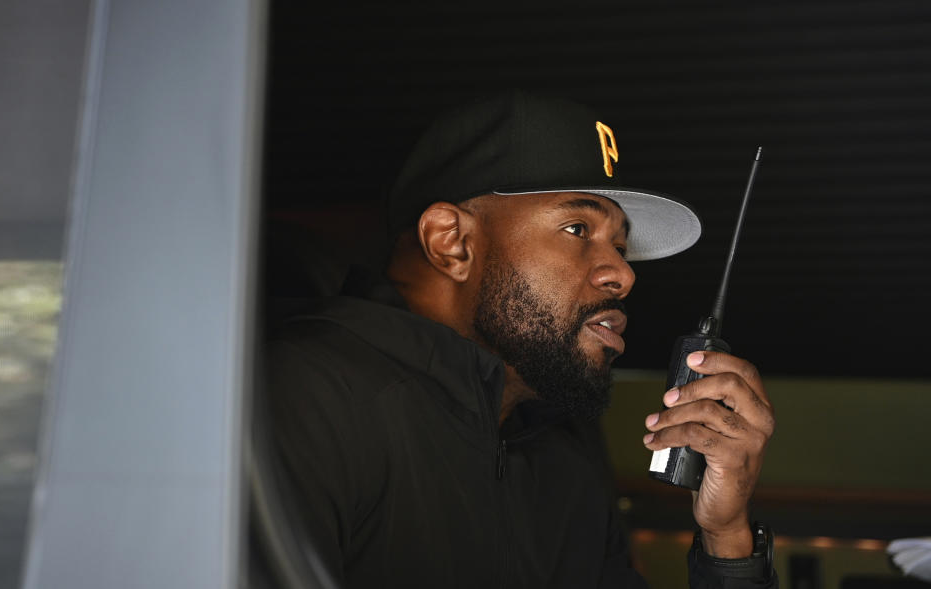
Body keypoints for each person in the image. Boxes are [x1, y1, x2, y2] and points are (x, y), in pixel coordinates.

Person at [251, 91, 778, 588]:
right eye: (577, 230)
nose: (623, 274)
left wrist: (726, 537)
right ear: (451, 243)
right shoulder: (306, 393)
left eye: (621, 246)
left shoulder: (563, 450)